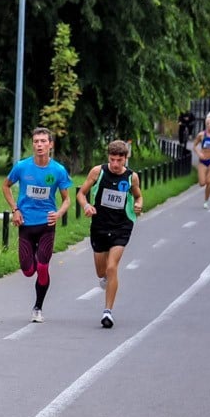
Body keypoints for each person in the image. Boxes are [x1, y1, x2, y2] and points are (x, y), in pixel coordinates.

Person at [1, 126, 72, 323]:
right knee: (28, 271)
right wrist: (15, 209)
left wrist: (58, 214)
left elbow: (67, 199)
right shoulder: (22, 167)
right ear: (32, 144)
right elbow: (5, 186)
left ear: (50, 145)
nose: (39, 145)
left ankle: (38, 307)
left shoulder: (58, 170)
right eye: (36, 142)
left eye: (43, 141)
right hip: (25, 222)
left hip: (46, 224)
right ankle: (32, 256)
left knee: (42, 267)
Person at [76, 140, 143, 329]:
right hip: (99, 226)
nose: (115, 164)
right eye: (112, 159)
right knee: (101, 271)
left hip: (122, 226)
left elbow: (138, 195)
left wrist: (138, 204)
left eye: (119, 160)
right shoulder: (98, 172)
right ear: (108, 157)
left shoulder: (132, 177)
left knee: (112, 267)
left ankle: (108, 312)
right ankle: (106, 278)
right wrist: (86, 205)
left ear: (125, 159)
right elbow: (81, 194)